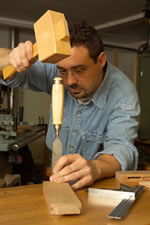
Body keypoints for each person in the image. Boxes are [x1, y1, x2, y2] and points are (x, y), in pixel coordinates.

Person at [0, 21, 140, 190]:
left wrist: (95, 167)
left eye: (79, 70)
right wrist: (11, 58)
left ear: (101, 60)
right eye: (63, 71)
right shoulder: (58, 66)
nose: (69, 81)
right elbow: (7, 67)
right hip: (56, 178)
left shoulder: (123, 95)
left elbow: (121, 148)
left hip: (97, 185)